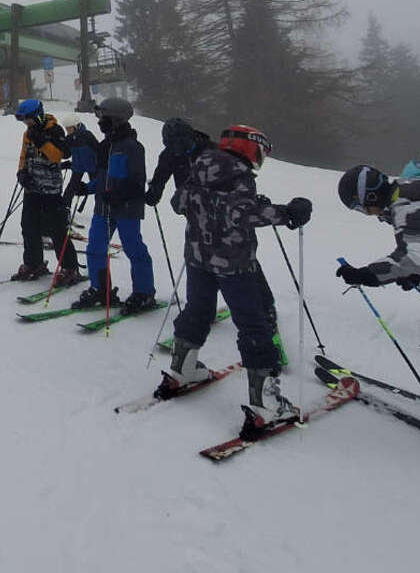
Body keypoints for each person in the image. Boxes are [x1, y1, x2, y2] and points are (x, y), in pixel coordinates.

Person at [161, 124, 313, 433]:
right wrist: (287, 213)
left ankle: (182, 370)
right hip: (233, 265)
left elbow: (179, 203)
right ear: (251, 148)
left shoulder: (200, 165)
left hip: (198, 258)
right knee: (253, 325)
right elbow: (242, 214)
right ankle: (264, 405)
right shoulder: (240, 176)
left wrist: (214, 205)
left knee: (197, 310)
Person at [150, 118, 285, 360]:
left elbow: (233, 194)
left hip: (214, 231)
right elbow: (165, 179)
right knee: (218, 279)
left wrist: (245, 204)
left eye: (178, 143)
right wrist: (155, 191)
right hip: (208, 226)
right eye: (171, 144)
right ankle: (210, 317)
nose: (176, 148)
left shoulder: (211, 152)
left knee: (241, 267)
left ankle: (266, 307)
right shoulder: (173, 154)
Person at [336, 144, 420, 335]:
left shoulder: (409, 206)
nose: (366, 213)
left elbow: (413, 258)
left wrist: (366, 274)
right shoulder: (405, 190)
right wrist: (418, 272)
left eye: (360, 207)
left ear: (370, 196)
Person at [70, 97, 157, 313]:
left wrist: (118, 195)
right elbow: (102, 179)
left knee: (133, 248)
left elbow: (137, 183)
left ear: (117, 119)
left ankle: (144, 293)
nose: (100, 121)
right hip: (104, 207)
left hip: (126, 208)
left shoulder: (132, 147)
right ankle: (100, 289)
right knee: (95, 248)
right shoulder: (104, 146)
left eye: (104, 117)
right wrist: (87, 188)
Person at [11, 98, 82, 284]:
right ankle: (34, 263)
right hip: (32, 188)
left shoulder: (55, 130)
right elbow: (24, 155)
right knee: (29, 226)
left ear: (37, 116)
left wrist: (41, 141)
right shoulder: (28, 133)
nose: (26, 124)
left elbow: (58, 156)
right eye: (24, 120)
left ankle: (70, 268)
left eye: (28, 119)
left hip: (50, 189)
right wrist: (21, 172)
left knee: (56, 229)